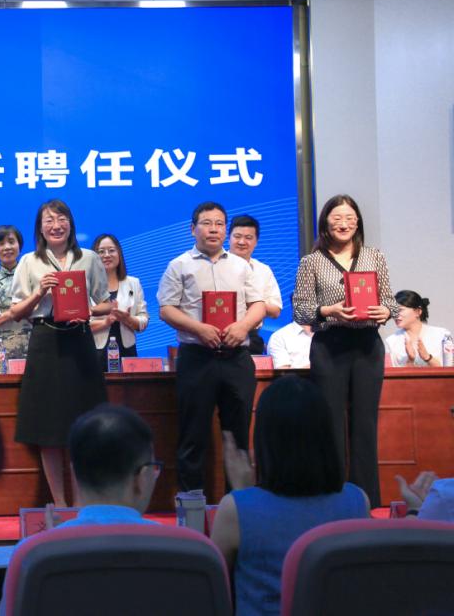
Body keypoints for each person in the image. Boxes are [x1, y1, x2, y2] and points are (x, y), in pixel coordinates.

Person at [211, 375, 370, 616]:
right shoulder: (358, 502)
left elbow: (212, 592)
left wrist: (243, 494)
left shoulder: (235, 509)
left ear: (265, 440)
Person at [0, 403, 161, 616]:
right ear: (142, 478)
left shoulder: (31, 555)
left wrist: (53, 541)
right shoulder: (187, 546)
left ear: (74, 474)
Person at [293, 194, 397, 507]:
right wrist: (328, 310)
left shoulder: (374, 256)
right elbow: (300, 310)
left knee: (365, 424)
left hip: (367, 345)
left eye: (350, 218)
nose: (344, 224)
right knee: (330, 424)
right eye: (337, 218)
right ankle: (332, 497)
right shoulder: (311, 261)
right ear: (325, 223)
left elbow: (389, 300)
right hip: (330, 346)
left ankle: (367, 500)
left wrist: (386, 311)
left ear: (358, 222)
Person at [157, 201, 265, 493]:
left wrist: (243, 327)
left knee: (238, 438)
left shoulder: (242, 265)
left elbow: (258, 305)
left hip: (236, 358)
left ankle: (238, 504)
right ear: (193, 229)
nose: (214, 229)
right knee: (192, 436)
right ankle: (192, 507)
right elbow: (166, 309)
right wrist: (199, 329)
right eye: (207, 223)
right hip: (196, 357)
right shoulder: (179, 265)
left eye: (219, 223)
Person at [9, 199, 111, 507]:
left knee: (83, 424)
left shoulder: (89, 258)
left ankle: (82, 503)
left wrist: (87, 310)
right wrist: (40, 291)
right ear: (40, 228)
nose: (56, 225)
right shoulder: (29, 262)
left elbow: (106, 303)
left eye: (61, 218)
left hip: (80, 341)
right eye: (49, 220)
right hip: (46, 341)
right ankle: (61, 505)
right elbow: (16, 312)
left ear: (71, 223)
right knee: (49, 427)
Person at [89, 233, 149, 367]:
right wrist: (105, 322)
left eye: (111, 250)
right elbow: (79, 325)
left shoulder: (134, 283)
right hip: (94, 352)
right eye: (101, 251)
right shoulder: (86, 285)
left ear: (119, 254)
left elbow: (144, 321)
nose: (106, 255)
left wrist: (128, 319)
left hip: (127, 352)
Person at [0, 225, 33, 373]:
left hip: (29, 343)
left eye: (11, 242)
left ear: (19, 246)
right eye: (1, 243)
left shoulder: (31, 276)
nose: (7, 247)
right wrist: (11, 313)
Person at [228, 215, 283, 355]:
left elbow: (276, 310)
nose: (242, 242)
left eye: (248, 237)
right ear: (228, 238)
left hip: (251, 337)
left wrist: (254, 304)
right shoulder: (216, 265)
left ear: (256, 241)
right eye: (237, 236)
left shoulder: (263, 270)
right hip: (220, 335)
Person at [385, 290, 452, 367]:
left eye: (400, 310)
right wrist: (410, 360)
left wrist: (427, 357)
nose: (395, 315)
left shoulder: (442, 335)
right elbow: (389, 373)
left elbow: (450, 368)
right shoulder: (391, 341)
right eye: (394, 311)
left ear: (418, 311)